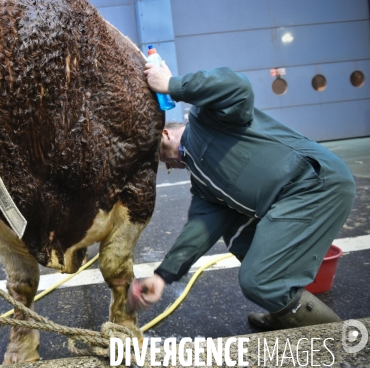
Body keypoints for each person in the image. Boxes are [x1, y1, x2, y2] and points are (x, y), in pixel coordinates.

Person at [135, 62, 356, 330]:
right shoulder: (203, 182)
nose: (168, 166)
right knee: (240, 238)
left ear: (166, 134)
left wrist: (172, 85)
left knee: (259, 280)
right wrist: (162, 276)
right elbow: (202, 226)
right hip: (292, 197)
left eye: (161, 158)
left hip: (315, 184)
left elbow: (236, 86)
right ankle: (284, 310)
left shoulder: (208, 119)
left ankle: (337, 342)